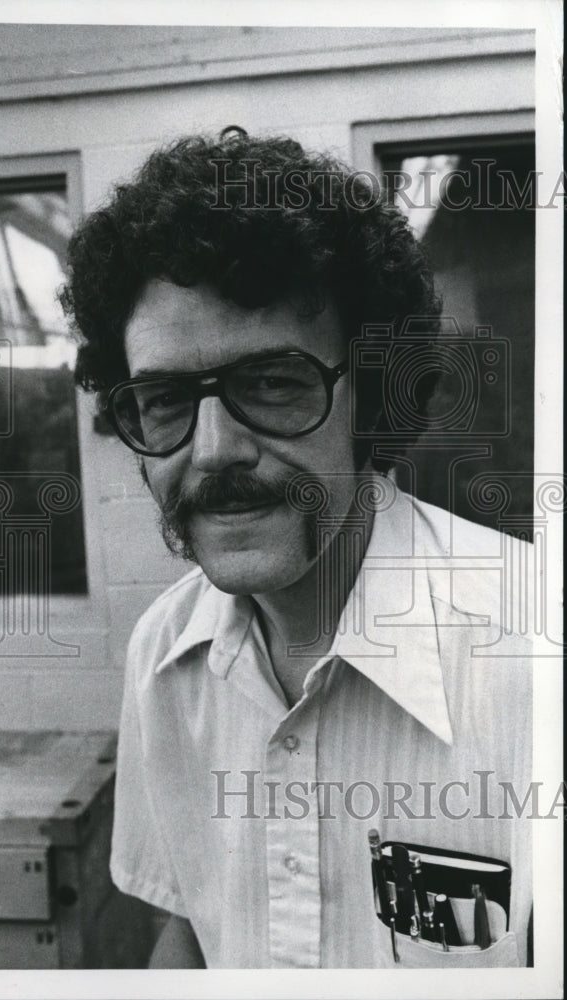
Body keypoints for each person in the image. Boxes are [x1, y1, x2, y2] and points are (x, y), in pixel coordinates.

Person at [60, 128, 532, 969]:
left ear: (373, 393)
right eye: (165, 400)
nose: (211, 452)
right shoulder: (160, 662)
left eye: (273, 383)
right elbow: (191, 933)